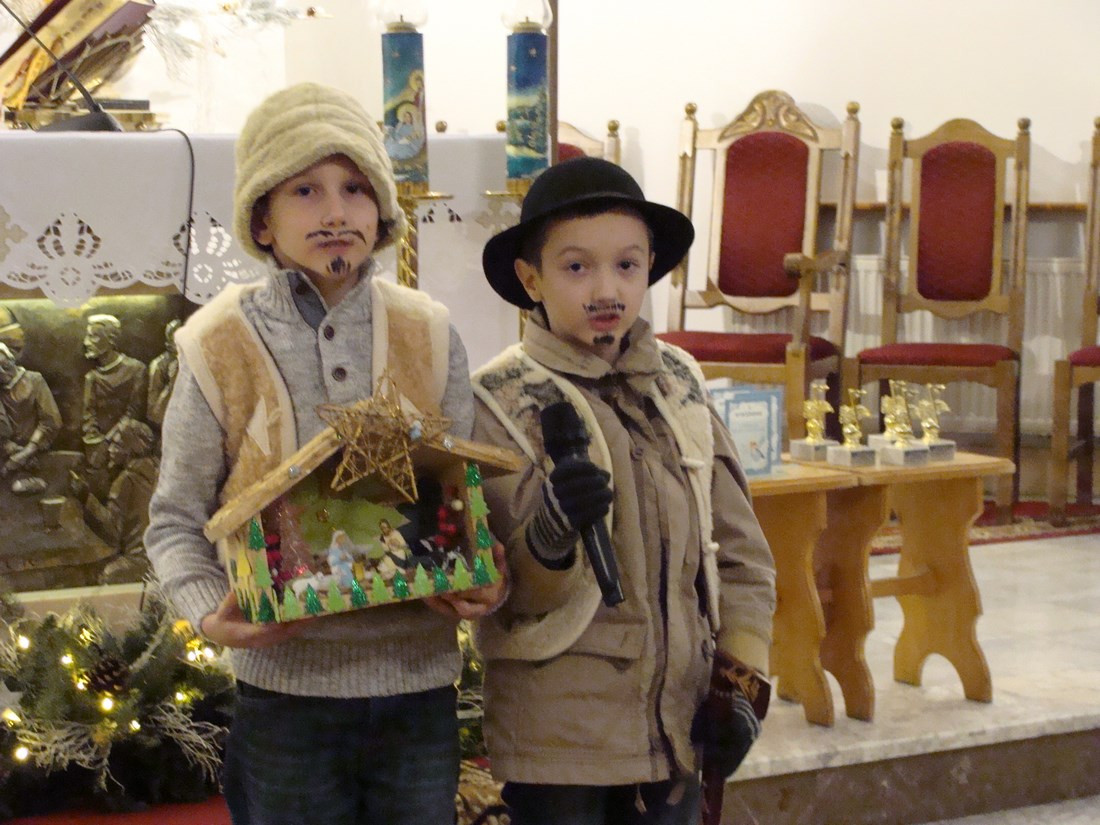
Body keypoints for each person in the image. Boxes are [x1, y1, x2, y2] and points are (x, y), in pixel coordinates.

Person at [144, 82, 505, 825]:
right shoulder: (217, 343)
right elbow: (175, 521)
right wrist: (210, 617)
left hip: (419, 690)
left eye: (355, 188)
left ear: (381, 211)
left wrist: (483, 577)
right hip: (286, 699)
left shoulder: (430, 332)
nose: (336, 212)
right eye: (305, 190)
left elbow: (468, 505)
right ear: (262, 218)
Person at [472, 157, 777, 825]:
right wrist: (551, 531)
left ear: (650, 269)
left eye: (627, 265)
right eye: (576, 267)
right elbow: (505, 593)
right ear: (530, 278)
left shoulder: (678, 383)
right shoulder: (498, 401)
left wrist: (741, 683)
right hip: (560, 746)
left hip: (680, 730)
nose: (606, 288)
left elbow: (740, 553)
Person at [71, 417, 158, 583]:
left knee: (88, 574)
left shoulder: (126, 480)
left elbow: (110, 532)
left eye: (117, 445)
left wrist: (85, 497)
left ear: (131, 450)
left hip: (137, 562)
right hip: (158, 557)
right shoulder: (155, 469)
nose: (110, 449)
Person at [81, 314, 147, 472]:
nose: (86, 342)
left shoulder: (136, 370)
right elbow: (89, 417)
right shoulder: (92, 378)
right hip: (99, 451)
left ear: (111, 339)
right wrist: (95, 443)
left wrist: (107, 442)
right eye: (87, 336)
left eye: (93, 336)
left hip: (129, 446)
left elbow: (133, 414)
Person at [0, 341, 61, 491]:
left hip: (37, 451)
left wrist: (27, 452)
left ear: (11, 359)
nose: (1, 372)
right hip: (8, 454)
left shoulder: (34, 380)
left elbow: (51, 421)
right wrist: (12, 449)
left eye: (4, 365)